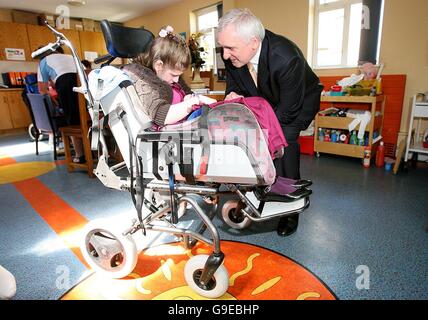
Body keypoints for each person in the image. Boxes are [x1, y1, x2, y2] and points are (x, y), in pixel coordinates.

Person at [217, 8, 324, 237]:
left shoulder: (286, 57)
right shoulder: (232, 54)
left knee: (284, 142)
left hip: (298, 102)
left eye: (230, 49)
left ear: (253, 43)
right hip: (265, 100)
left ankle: (290, 209)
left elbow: (287, 111)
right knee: (250, 138)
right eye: (222, 47)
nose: (224, 56)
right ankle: (259, 190)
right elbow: (233, 90)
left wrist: (264, 135)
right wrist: (232, 100)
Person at [121, 26, 216, 127]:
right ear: (158, 65)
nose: (177, 80)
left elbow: (186, 93)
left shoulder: (167, 76)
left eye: (179, 75)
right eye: (173, 75)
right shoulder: (144, 81)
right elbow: (161, 116)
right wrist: (194, 101)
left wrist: (188, 97)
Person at [37, 46, 85, 163]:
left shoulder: (44, 61)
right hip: (85, 80)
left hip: (66, 83)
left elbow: (42, 90)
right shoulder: (71, 56)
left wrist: (56, 102)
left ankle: (80, 155)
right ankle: (94, 150)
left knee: (72, 121)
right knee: (86, 117)